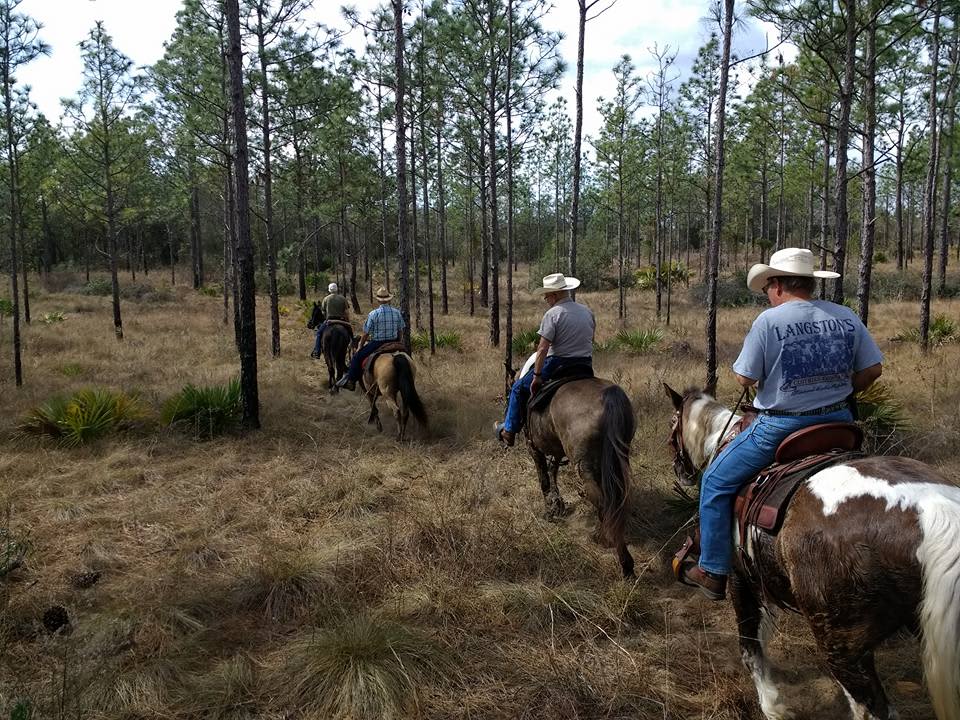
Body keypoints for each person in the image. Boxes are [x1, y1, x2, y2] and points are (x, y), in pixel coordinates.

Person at [681, 248, 883, 600]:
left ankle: (712, 569)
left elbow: (744, 377)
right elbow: (872, 370)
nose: (768, 294)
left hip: (781, 427)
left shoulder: (769, 321)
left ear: (776, 285)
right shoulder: (846, 316)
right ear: (808, 283)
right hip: (840, 421)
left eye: (767, 288)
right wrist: (843, 390)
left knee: (714, 480)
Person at [495, 273, 595, 447]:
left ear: (555, 295)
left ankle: (509, 430)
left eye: (546, 296)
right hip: (585, 365)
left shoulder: (553, 314)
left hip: (558, 364)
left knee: (518, 388)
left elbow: (542, 349)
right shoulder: (587, 312)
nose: (546, 299)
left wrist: (537, 376)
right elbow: (591, 339)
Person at [335, 286, 404, 391]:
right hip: (394, 342)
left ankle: (351, 381)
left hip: (377, 343)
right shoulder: (396, 312)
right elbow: (400, 331)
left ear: (378, 300)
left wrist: (360, 347)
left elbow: (366, 333)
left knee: (357, 358)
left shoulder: (373, 314)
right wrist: (399, 342)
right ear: (389, 299)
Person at [311, 282, 351, 359]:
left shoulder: (326, 299)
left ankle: (317, 351)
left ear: (329, 290)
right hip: (341, 320)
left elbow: (323, 312)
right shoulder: (343, 299)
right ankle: (352, 346)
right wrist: (347, 322)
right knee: (350, 333)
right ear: (337, 289)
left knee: (319, 333)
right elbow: (346, 312)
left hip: (329, 320)